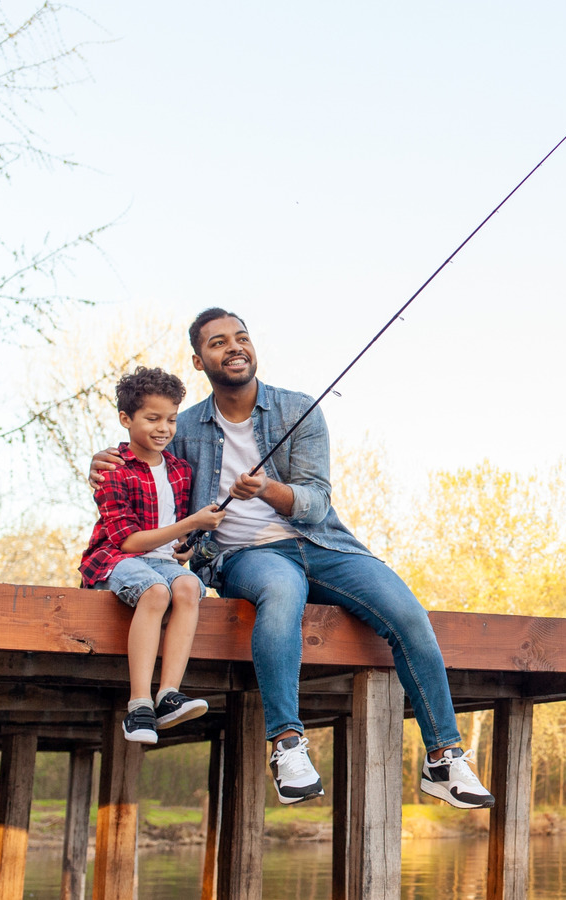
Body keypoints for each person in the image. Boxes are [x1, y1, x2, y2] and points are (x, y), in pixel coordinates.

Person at [91, 309, 493, 809]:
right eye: (218, 343)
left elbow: (317, 503)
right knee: (280, 594)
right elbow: (140, 462)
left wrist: (267, 489)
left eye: (241, 337)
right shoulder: (185, 425)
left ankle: (444, 757)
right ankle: (287, 745)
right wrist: (101, 461)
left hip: (324, 545)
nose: (234, 347)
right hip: (244, 555)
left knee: (408, 613)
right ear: (199, 361)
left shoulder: (299, 409)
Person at [79, 367, 227, 743]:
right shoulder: (114, 469)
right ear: (126, 419)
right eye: (152, 418)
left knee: (189, 587)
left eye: (172, 419)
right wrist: (190, 522)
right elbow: (127, 541)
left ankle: (168, 695)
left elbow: (174, 532)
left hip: (161, 562)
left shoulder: (180, 470)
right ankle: (139, 705)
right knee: (156, 592)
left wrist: (186, 544)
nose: (164, 428)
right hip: (116, 560)